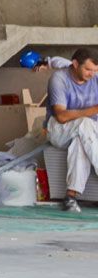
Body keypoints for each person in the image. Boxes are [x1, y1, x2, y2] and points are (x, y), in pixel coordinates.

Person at [46, 48, 98, 213]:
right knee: (84, 124)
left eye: (95, 70)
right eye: (88, 69)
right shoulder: (59, 79)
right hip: (59, 129)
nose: (92, 74)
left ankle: (70, 197)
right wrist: (94, 109)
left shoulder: (95, 77)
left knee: (80, 142)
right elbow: (61, 116)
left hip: (88, 132)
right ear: (75, 64)